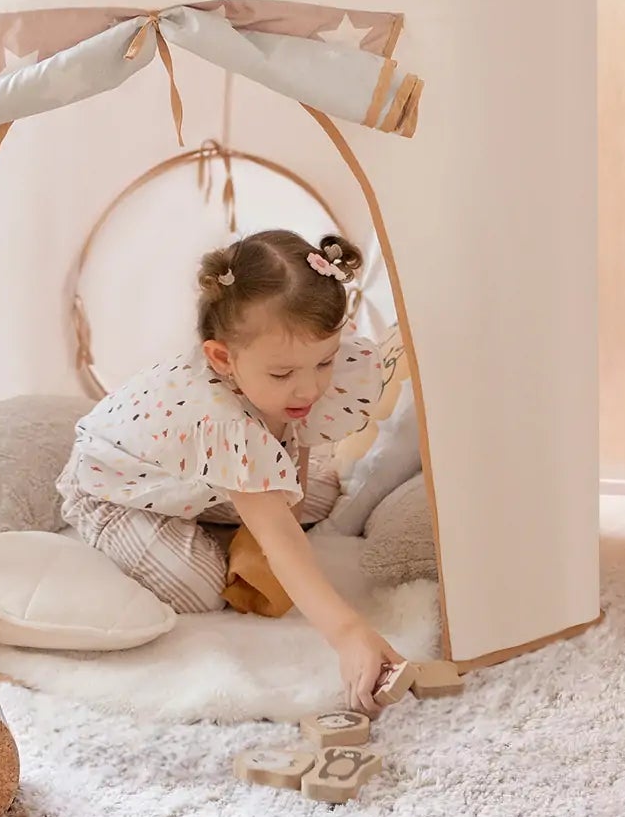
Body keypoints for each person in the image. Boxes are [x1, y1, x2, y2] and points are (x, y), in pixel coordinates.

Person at [58, 228, 407, 715]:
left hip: (194, 479)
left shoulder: (298, 373)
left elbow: (294, 449)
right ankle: (109, 529)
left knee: (315, 496)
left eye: (324, 362)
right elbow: (283, 545)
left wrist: (290, 503)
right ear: (223, 359)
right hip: (116, 492)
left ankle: (227, 511)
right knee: (199, 587)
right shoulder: (222, 419)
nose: (309, 388)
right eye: (283, 375)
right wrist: (349, 634)